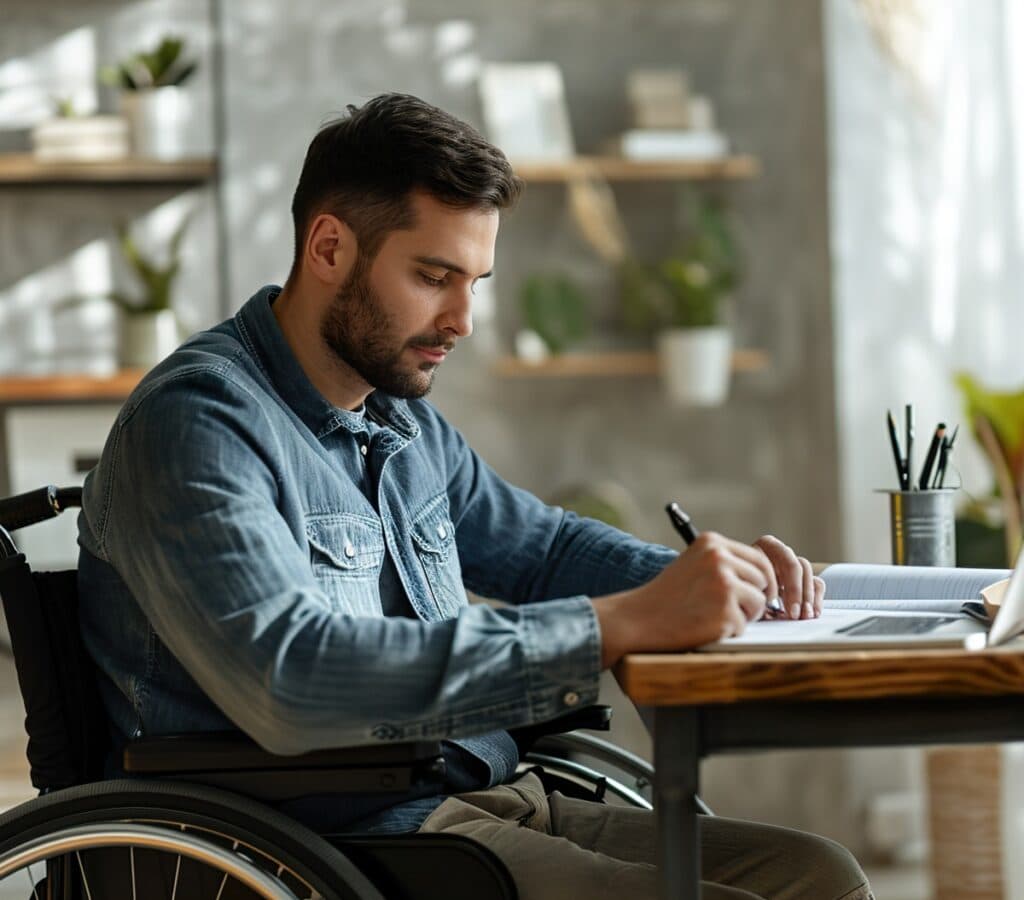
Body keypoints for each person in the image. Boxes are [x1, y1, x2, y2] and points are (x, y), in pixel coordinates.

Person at [77, 92, 873, 900]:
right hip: (332, 846)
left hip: (483, 798)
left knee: (818, 877)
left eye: (475, 281)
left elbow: (544, 548)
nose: (462, 319)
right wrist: (618, 625)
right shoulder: (196, 424)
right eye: (433, 277)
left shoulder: (395, 416)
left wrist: (712, 581)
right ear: (327, 247)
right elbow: (289, 678)